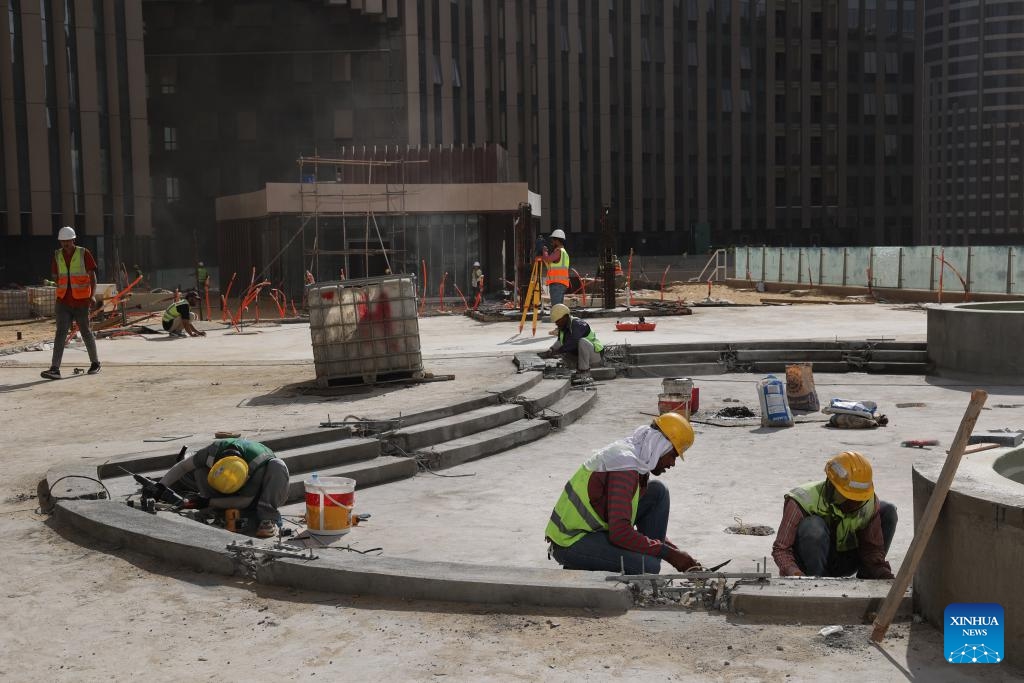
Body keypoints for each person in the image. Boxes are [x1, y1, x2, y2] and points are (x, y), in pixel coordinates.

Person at [545, 412, 700, 574]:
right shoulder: (625, 468)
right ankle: (581, 565)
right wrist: (669, 554)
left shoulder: (639, 459)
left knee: (658, 492)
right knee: (649, 567)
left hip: (599, 530)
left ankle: (637, 559)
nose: (672, 463)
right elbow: (619, 533)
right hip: (571, 541)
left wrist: (675, 553)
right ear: (661, 447)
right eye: (673, 455)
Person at [771, 451, 897, 579]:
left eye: (858, 499)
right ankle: (817, 583)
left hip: (844, 561)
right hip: (810, 565)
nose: (854, 503)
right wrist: (795, 574)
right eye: (848, 497)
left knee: (888, 511)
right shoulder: (802, 499)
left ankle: (867, 576)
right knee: (813, 527)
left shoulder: (867, 503)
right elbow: (781, 550)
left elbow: (872, 549)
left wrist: (881, 571)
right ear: (831, 486)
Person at [156, 438, 290, 538]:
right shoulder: (210, 453)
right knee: (199, 469)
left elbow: (245, 501)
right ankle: (218, 511)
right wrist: (161, 486)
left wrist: (208, 502)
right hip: (228, 494)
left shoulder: (258, 463)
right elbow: (183, 466)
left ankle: (268, 517)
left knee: (277, 465)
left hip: (257, 495)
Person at [41, 226, 100, 380]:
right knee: (60, 333)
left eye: (68, 241)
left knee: (86, 332)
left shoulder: (83, 253)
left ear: (73, 240)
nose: (65, 244)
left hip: (81, 301)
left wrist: (92, 295)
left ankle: (95, 363)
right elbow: (56, 276)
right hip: (63, 301)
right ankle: (55, 369)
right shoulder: (57, 255)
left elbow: (92, 276)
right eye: (63, 241)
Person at [538, 303, 603, 384]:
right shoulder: (563, 327)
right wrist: (551, 349)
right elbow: (559, 341)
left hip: (594, 356)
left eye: (558, 321)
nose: (556, 323)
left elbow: (574, 341)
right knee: (563, 355)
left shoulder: (577, 324)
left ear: (565, 317)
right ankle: (577, 369)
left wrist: (558, 351)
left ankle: (585, 372)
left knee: (581, 342)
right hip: (581, 357)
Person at [540, 228, 570, 306]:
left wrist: (544, 251)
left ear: (557, 240)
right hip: (561, 284)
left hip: (557, 284)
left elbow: (547, 259)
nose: (552, 242)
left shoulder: (559, 251)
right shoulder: (564, 252)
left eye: (553, 240)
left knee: (556, 307)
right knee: (559, 308)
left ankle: (557, 319)